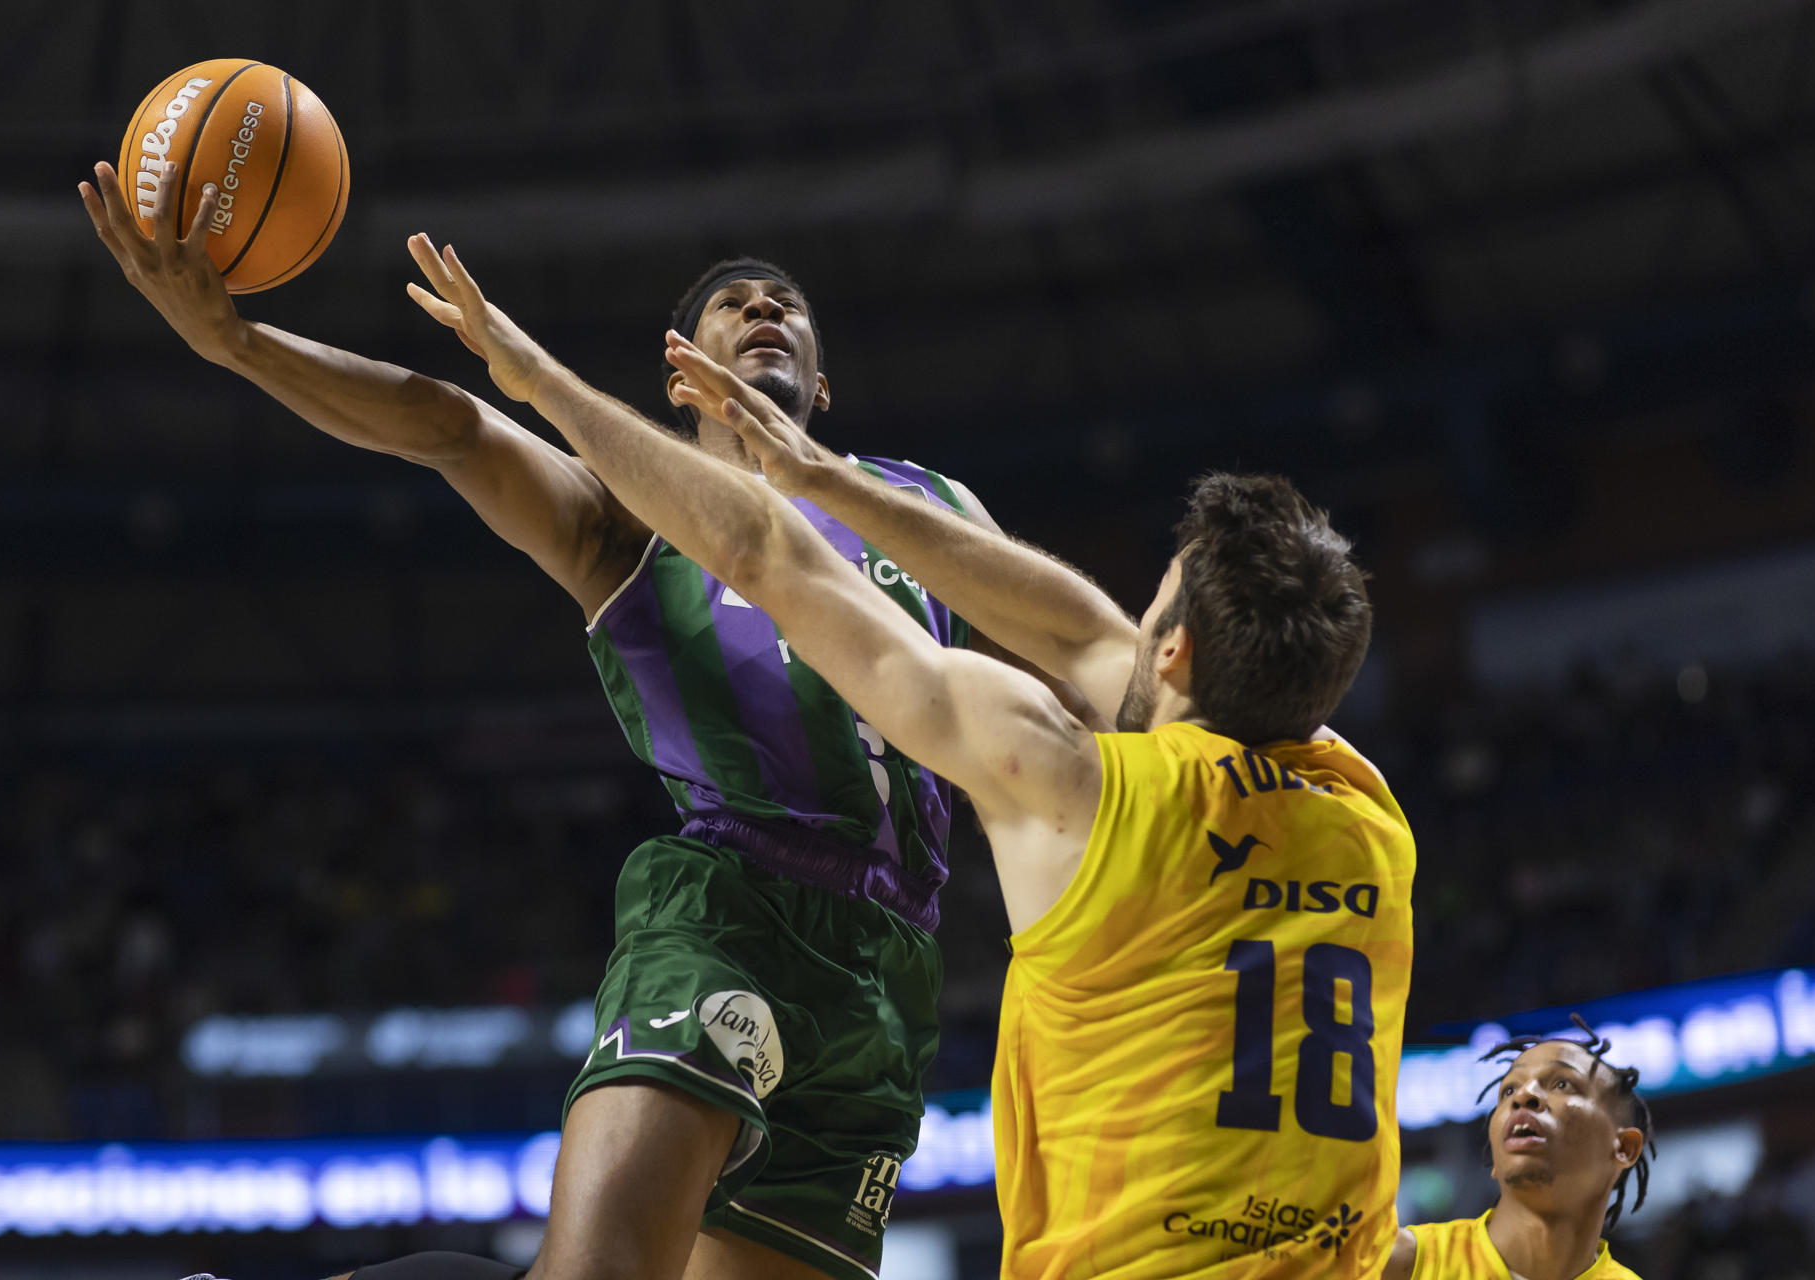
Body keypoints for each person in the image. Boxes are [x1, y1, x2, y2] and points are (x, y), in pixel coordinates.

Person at [80, 161, 1088, 1280]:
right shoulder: (628, 523)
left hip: (892, 972)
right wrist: (240, 345)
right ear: (680, 373)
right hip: (732, 912)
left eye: (784, 302)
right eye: (732, 302)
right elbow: (450, 427)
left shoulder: (933, 508)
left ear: (825, 381)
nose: (764, 307)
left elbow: (1073, 684)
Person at [406, 235, 1417, 1279]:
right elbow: (1101, 640)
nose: (1127, 617)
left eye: (1153, 602)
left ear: (1175, 649)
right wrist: (834, 476)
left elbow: (767, 555)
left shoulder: (1074, 785)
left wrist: (541, 383)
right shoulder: (1372, 817)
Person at [1382, 1019, 1654, 1280]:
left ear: (1624, 1148)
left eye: (1562, 1084)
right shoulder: (1398, 1264)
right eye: (1509, 1090)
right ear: (1496, 1161)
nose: (1524, 1095)